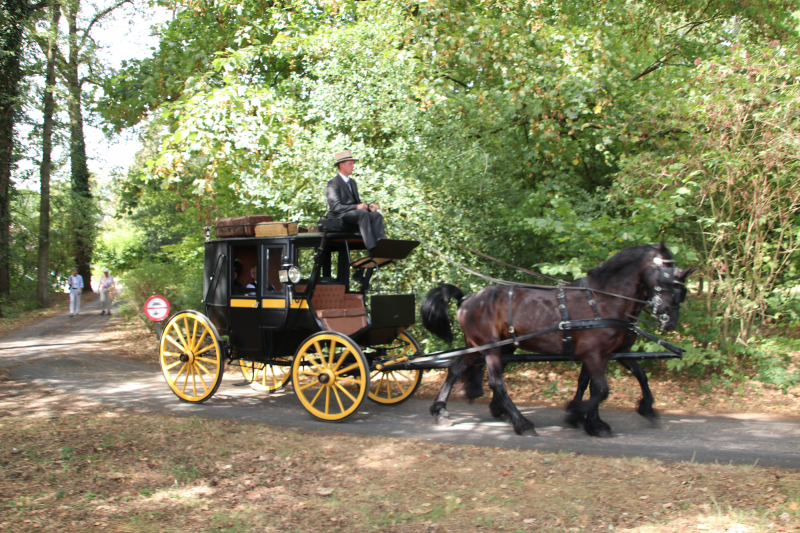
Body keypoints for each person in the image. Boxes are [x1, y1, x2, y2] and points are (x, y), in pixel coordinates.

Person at [325, 150, 385, 254]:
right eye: (350, 164)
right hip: (340, 216)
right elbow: (335, 207)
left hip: (354, 214)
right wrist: (358, 207)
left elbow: (357, 203)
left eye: (353, 164)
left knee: (376, 216)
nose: (353, 166)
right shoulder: (333, 183)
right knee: (362, 213)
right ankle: (372, 249)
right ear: (341, 165)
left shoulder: (352, 183)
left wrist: (368, 206)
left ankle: (382, 246)